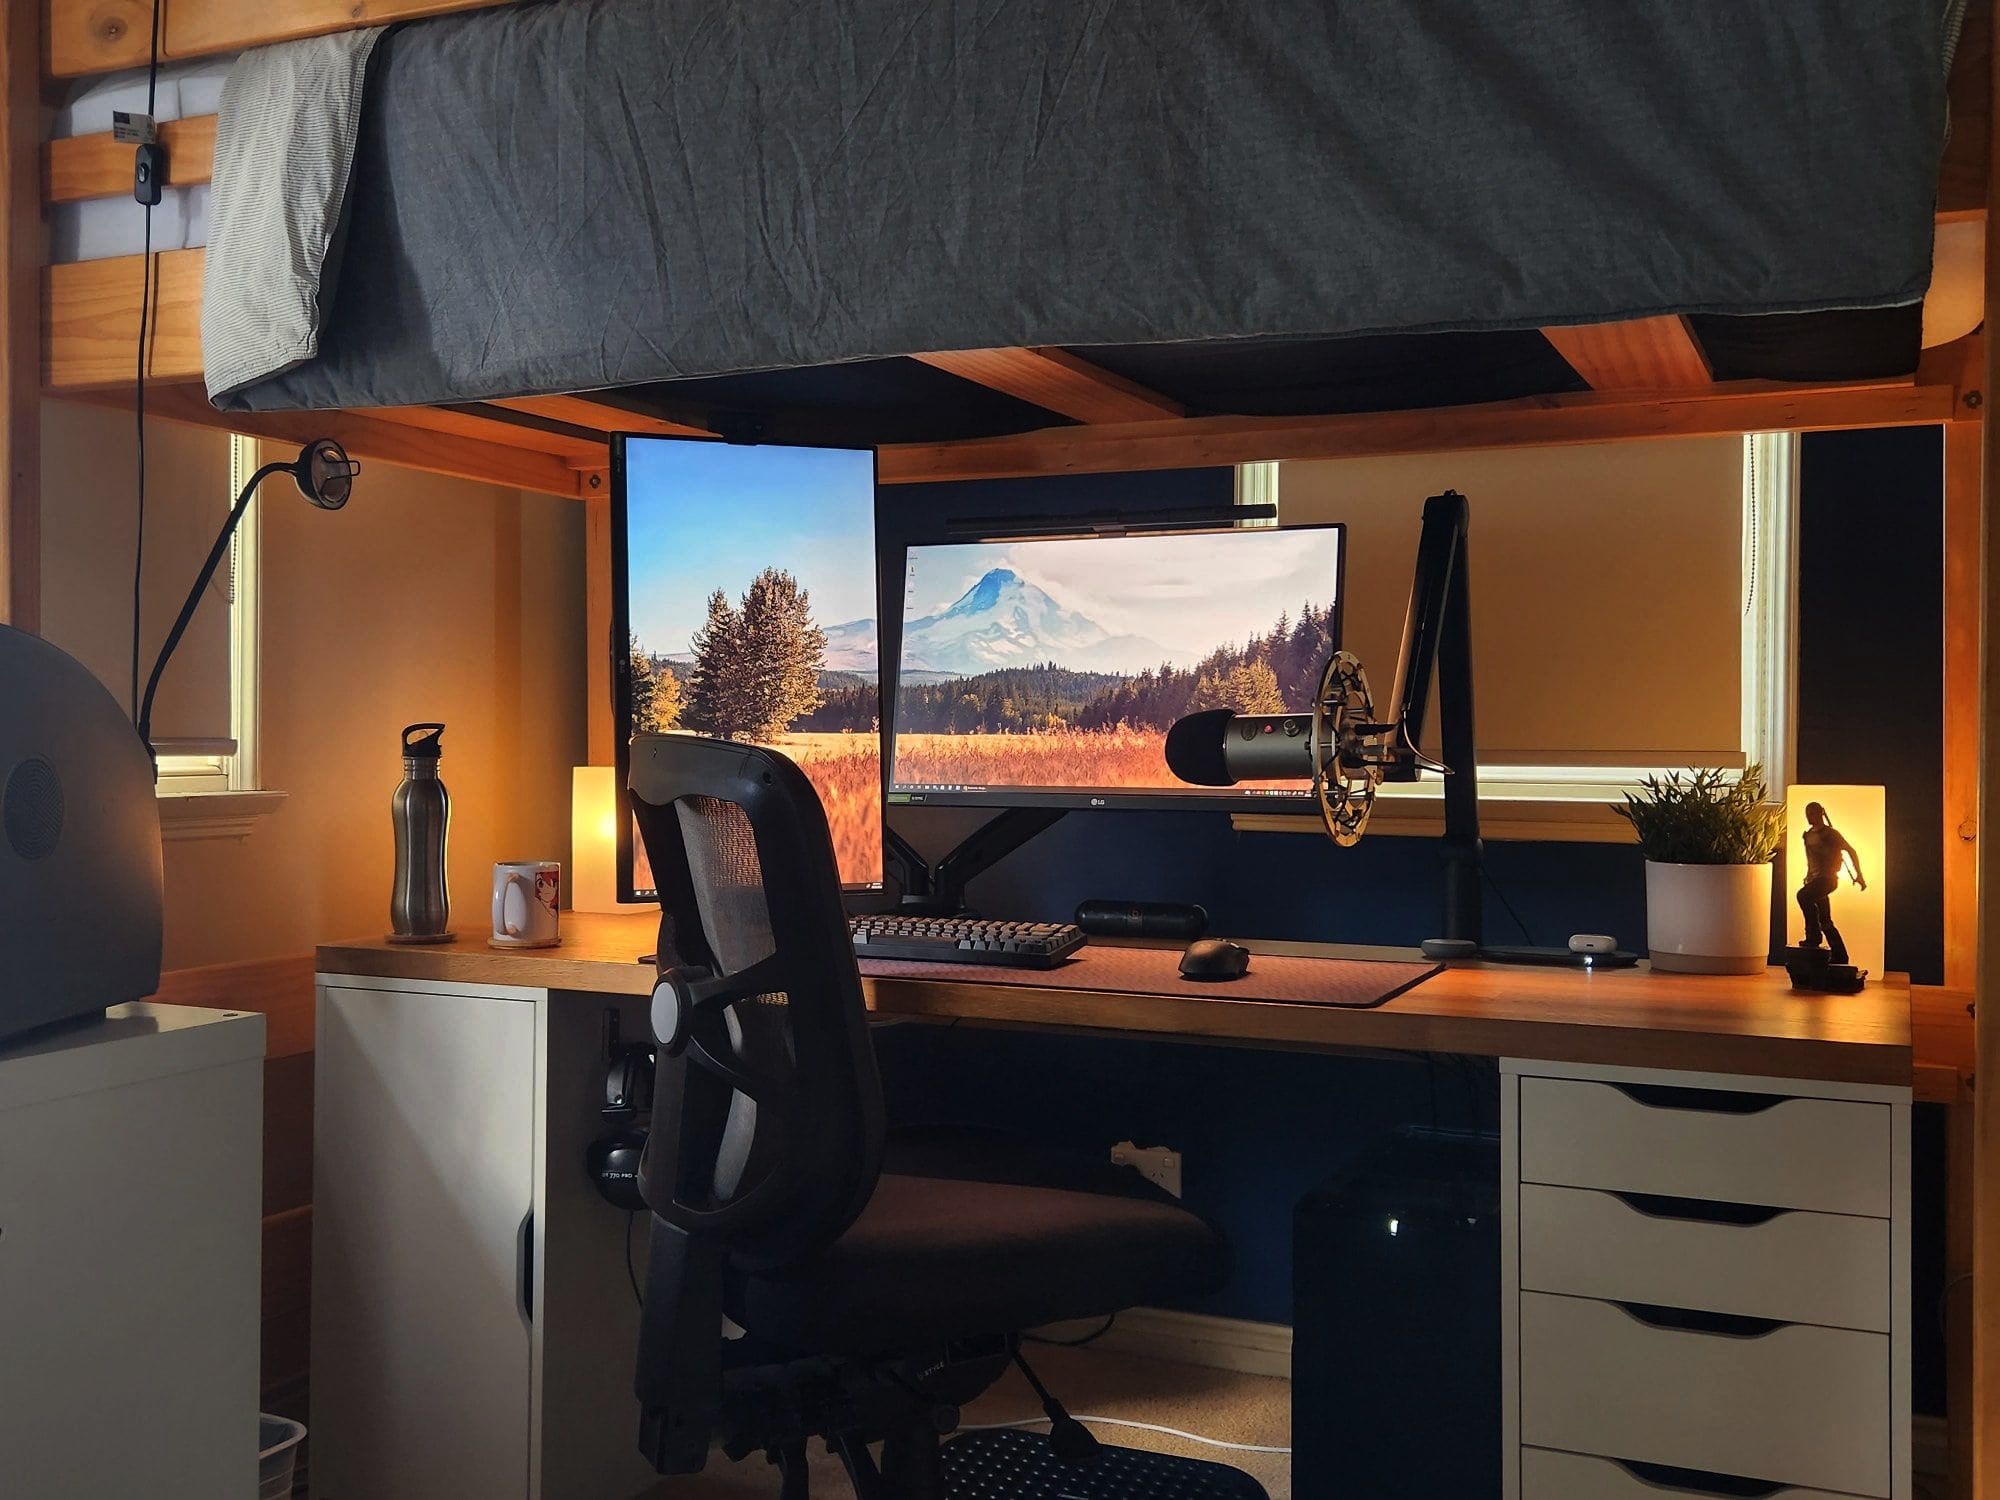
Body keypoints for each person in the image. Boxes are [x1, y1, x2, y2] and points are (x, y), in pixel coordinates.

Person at [1797, 801, 1866, 965]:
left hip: (1828, 879)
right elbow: (1810, 860)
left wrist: (1859, 875)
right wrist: (1808, 876)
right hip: (1815, 880)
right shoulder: (1807, 836)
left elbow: (1851, 851)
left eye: (1812, 813)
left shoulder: (1831, 834)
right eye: (1807, 813)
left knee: (1803, 896)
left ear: (1820, 813)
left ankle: (1813, 936)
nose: (1809, 816)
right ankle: (1840, 955)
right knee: (1826, 920)